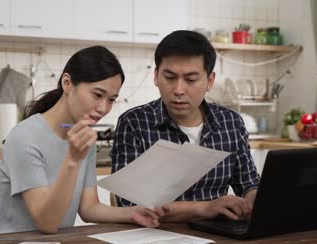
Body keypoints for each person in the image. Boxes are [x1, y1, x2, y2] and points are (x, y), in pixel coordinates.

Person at [0, 46, 162, 235]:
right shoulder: (24, 136)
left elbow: (89, 208)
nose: (103, 108)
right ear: (67, 83)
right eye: (97, 95)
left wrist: (132, 213)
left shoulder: (83, 136)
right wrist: (72, 160)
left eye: (111, 99)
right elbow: (47, 223)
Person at [111, 30, 260, 222]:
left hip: (219, 238)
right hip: (155, 238)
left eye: (191, 80)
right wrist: (206, 208)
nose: (179, 90)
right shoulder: (134, 123)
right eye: (170, 77)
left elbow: (248, 184)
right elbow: (129, 205)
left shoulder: (230, 122)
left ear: (210, 81)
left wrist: (258, 200)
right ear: (156, 76)